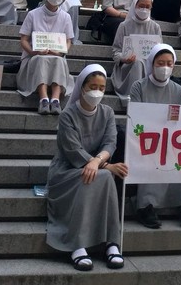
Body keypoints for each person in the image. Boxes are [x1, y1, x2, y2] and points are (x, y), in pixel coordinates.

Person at [46, 63, 128, 271]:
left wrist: (98, 161)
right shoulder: (67, 115)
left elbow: (111, 142)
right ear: (82, 87)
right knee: (96, 176)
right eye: (92, 86)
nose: (97, 92)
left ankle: (112, 242)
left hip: (95, 166)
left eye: (101, 88)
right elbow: (72, 150)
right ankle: (76, 243)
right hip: (66, 170)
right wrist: (102, 165)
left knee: (103, 176)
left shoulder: (108, 112)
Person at [129, 43, 181, 229]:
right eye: (160, 62)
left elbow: (180, 119)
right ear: (152, 63)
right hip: (145, 139)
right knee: (152, 157)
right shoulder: (138, 86)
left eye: (169, 63)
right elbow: (135, 117)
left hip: (171, 139)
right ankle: (146, 206)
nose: (165, 67)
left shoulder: (178, 90)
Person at [17, 0, 74, 114]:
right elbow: (24, 39)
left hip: (56, 55)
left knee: (60, 61)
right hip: (34, 57)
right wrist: (33, 52)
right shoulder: (33, 14)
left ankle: (55, 99)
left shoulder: (65, 17)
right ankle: (43, 98)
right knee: (40, 60)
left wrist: (61, 52)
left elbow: (68, 40)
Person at [111, 0, 162, 101]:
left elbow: (160, 51)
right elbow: (116, 51)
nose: (144, 9)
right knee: (138, 62)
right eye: (141, 6)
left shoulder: (155, 27)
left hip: (149, 66)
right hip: (127, 66)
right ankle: (135, 97)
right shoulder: (124, 25)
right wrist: (123, 58)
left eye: (147, 7)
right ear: (135, 6)